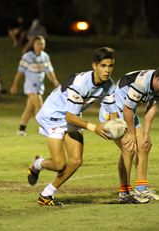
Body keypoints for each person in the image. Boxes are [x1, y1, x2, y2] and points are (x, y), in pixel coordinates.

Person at [27, 47, 118, 206]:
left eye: (110, 66)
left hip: (73, 116)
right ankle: (37, 164)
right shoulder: (81, 83)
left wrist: (119, 129)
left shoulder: (109, 85)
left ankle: (46, 195)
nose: (107, 70)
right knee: (59, 164)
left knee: (75, 160)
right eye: (103, 65)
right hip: (54, 116)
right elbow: (69, 116)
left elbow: (113, 111)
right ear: (94, 66)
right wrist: (94, 127)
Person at [99, 64, 159, 203]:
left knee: (144, 145)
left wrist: (146, 134)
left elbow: (151, 107)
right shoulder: (141, 83)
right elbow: (127, 109)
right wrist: (131, 134)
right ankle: (125, 193)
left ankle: (141, 190)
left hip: (127, 112)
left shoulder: (158, 84)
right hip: (113, 113)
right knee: (129, 147)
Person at [10, 36, 59, 136]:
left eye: (42, 44)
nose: (40, 46)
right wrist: (15, 85)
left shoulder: (45, 56)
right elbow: (19, 72)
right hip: (30, 86)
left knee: (29, 109)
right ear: (33, 45)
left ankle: (21, 129)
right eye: (38, 44)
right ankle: (43, 128)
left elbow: (49, 71)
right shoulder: (27, 57)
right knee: (39, 104)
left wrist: (55, 82)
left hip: (40, 86)